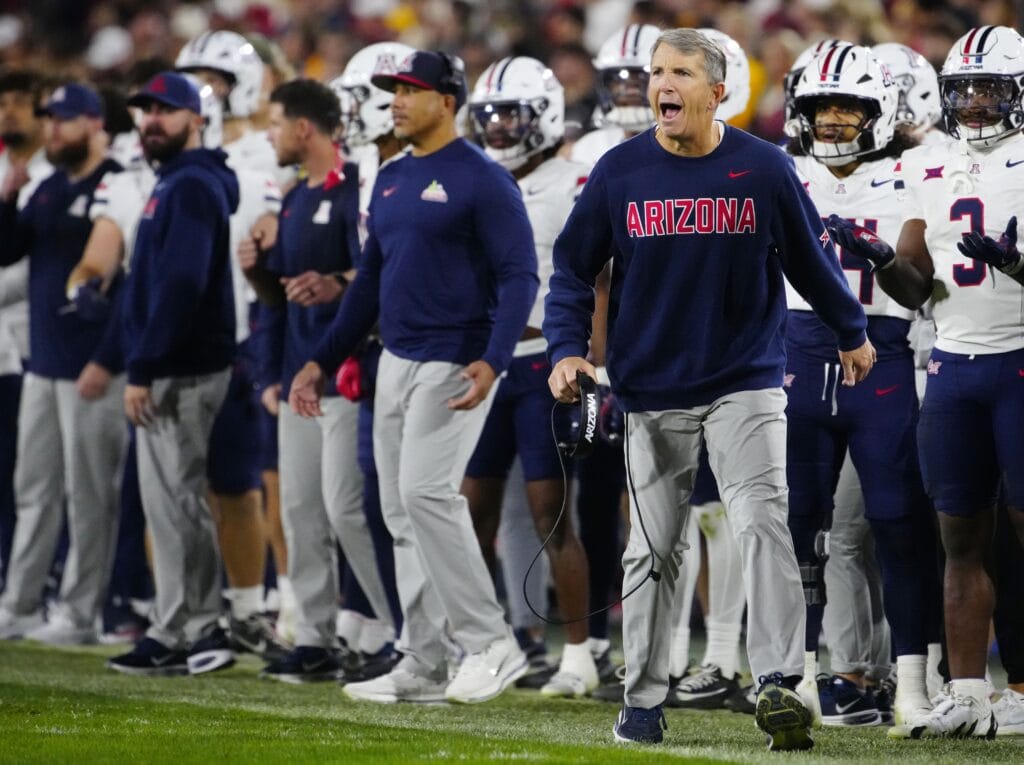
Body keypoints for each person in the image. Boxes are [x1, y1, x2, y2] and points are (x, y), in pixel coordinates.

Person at [543, 28, 874, 751]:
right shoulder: (620, 171)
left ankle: (780, 680)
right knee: (651, 549)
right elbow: (572, 270)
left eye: (681, 72)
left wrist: (851, 328)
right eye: (657, 70)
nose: (662, 83)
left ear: (718, 91)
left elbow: (810, 260)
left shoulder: (761, 168)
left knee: (762, 520)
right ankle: (643, 698)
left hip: (744, 379)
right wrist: (566, 350)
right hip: (648, 385)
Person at [288, 49, 538, 704]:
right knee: (400, 510)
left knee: (426, 495)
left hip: (454, 358)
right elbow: (369, 281)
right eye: (392, 91)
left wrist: (495, 357)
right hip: (393, 358)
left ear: (448, 101)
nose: (396, 101)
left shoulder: (483, 178)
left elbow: (520, 276)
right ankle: (423, 658)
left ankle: (491, 640)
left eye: (410, 90)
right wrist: (321, 357)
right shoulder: (394, 177)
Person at [826, 24, 1024, 739]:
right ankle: (968, 691)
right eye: (963, 90)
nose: (973, 103)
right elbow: (913, 288)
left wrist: (1016, 265)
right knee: (958, 536)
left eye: (989, 89)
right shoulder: (931, 160)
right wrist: (880, 256)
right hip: (952, 365)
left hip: (1020, 358)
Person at [786, 42, 941, 728]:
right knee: (800, 528)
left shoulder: (916, 172)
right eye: (821, 108)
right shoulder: (781, 170)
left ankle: (913, 677)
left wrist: (877, 255)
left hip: (885, 352)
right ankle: (805, 670)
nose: (834, 121)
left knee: (897, 523)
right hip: (796, 351)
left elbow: (919, 286)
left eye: (848, 106)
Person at [238, 78, 397, 682]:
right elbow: (278, 301)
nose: (271, 135)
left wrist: (337, 279)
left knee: (347, 508)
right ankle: (315, 635)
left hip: (347, 374)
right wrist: (256, 276)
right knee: (302, 510)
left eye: (276, 123)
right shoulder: (295, 198)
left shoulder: (355, 187)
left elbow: (376, 275)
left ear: (304, 128)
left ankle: (393, 630)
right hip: (300, 377)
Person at [465, 55, 597, 697]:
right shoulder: (477, 177)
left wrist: (595, 357)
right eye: (487, 115)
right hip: (486, 360)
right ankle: (486, 642)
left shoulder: (575, 180)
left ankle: (577, 654)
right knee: (468, 512)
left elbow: (600, 278)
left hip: (546, 359)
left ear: (541, 114)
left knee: (552, 512)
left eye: (508, 114)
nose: (495, 128)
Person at [105, 72, 238, 676]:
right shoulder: (181, 182)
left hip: (180, 369)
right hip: (175, 364)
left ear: (195, 119)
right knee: (174, 502)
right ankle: (184, 624)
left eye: (164, 110)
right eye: (144, 111)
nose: (150, 120)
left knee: (179, 503)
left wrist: (145, 366)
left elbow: (181, 284)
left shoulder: (188, 186)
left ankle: (193, 627)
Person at [0, 82, 127, 644]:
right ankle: (21, 602)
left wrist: (107, 357)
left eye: (66, 121)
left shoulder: (119, 185)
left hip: (92, 366)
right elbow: (7, 251)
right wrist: (8, 197)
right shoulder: (48, 188)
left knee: (90, 493)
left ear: (95, 123)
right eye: (50, 120)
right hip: (44, 362)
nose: (54, 130)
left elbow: (126, 283)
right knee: (34, 488)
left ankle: (80, 612)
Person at [0, 69, 52, 596]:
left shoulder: (50, 177)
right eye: (4, 102)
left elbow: (37, 271)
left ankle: (38, 583)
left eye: (21, 102)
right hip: (6, 349)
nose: (9, 112)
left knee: (30, 477)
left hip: (35, 347)